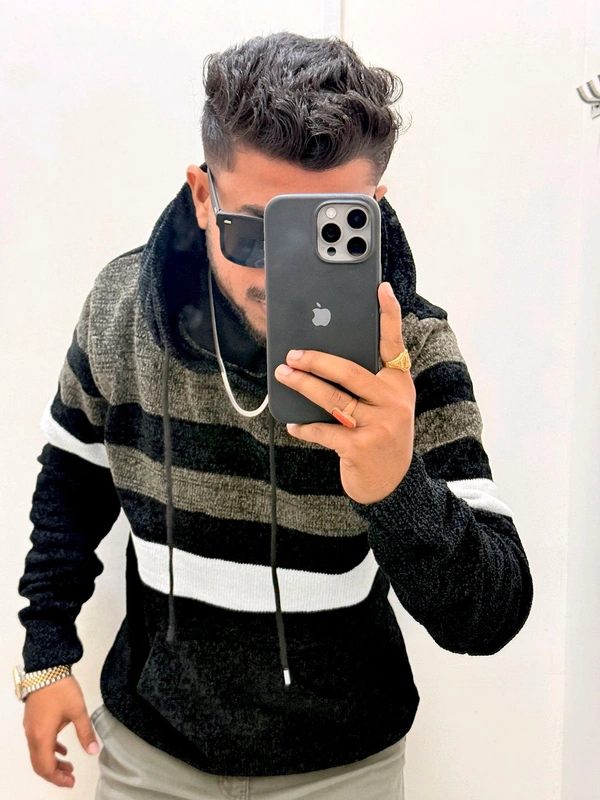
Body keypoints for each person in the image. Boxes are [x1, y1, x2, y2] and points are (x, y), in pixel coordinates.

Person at [16, 32, 533, 800]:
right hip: (151, 750)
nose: (276, 274)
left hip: (344, 768)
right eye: (253, 232)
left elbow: (489, 617)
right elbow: (72, 481)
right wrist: (46, 655)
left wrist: (396, 485)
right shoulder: (122, 311)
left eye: (320, 232)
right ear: (202, 196)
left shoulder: (410, 350)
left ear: (370, 209)